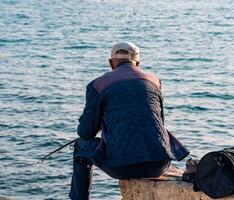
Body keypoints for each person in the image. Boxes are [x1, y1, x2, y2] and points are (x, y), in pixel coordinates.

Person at [69, 42, 189, 200]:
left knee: (80, 145)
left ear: (111, 63)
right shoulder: (155, 81)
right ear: (138, 63)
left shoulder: (97, 85)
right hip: (159, 164)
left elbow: (86, 132)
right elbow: (159, 122)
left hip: (122, 167)